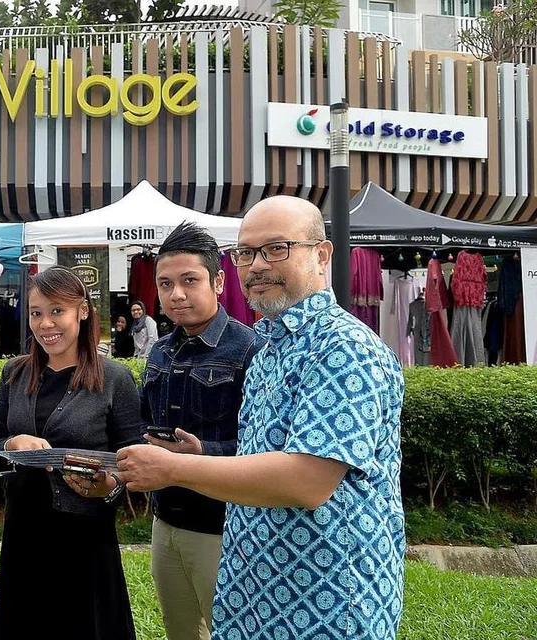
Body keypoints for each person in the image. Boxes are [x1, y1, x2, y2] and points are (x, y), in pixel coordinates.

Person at [117, 196, 406, 640]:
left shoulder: (345, 348)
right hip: (257, 590)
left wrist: (174, 467)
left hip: (324, 602)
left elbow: (306, 480)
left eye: (276, 249)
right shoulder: (272, 347)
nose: (256, 266)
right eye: (246, 253)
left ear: (322, 254)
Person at [0, 266, 142, 640]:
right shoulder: (15, 373)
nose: (45, 323)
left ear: (82, 311)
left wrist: (109, 485)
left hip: (84, 536)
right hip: (25, 531)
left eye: (57, 311)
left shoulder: (114, 378)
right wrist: (11, 444)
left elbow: (134, 459)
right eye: (36, 312)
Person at [137, 221, 262, 640]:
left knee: (231, 630)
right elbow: (141, 421)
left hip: (224, 525)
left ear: (219, 281)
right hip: (166, 520)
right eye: (166, 283)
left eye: (189, 280)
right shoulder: (160, 350)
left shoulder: (249, 350)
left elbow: (267, 447)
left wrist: (204, 452)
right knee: (182, 631)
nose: (176, 294)